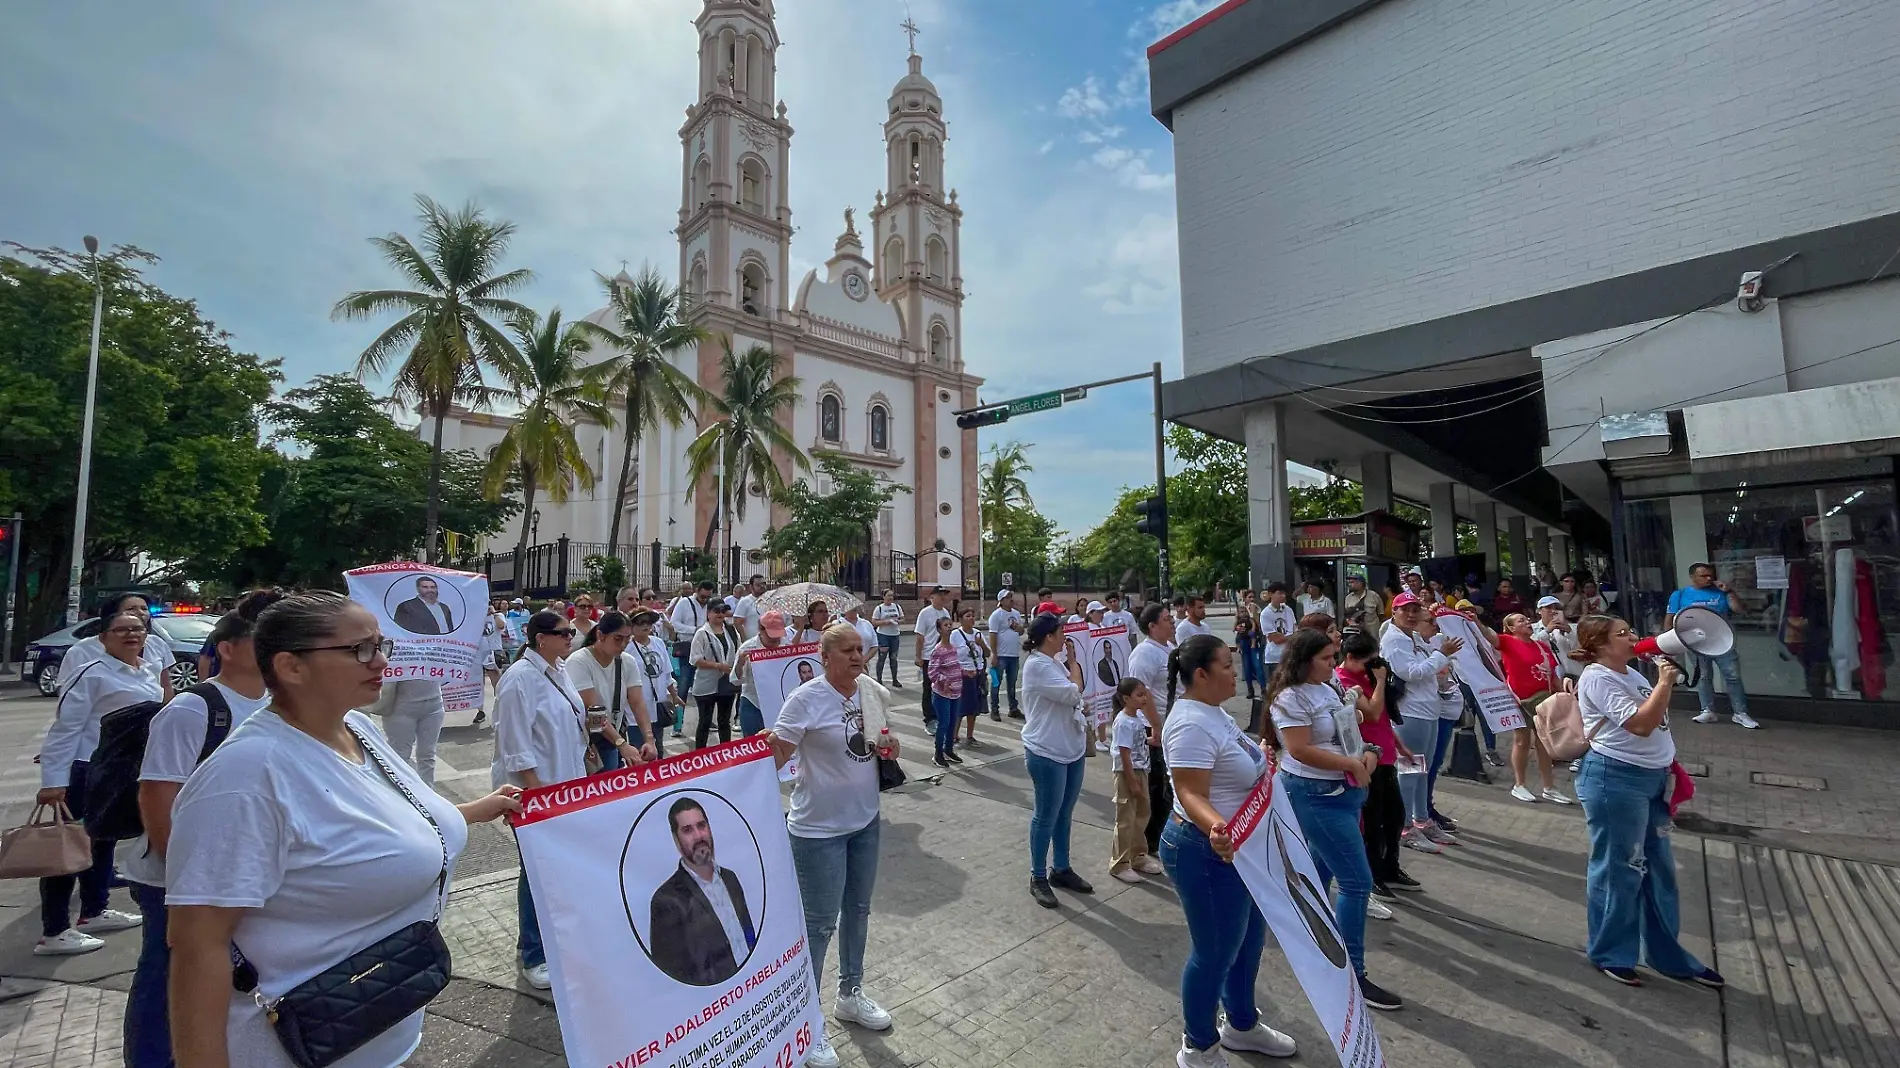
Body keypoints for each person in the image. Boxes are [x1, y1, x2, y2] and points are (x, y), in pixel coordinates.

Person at [166, 591, 523, 1068]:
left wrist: (477, 809)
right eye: (359, 649)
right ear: (292, 667)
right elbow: (197, 944)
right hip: (289, 1048)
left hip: (378, 1033)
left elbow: (392, 823)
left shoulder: (357, 727)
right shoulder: (246, 778)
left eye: (381, 646)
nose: (379, 662)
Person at [121, 591, 282, 1067]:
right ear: (227, 649)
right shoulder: (194, 709)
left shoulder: (277, 704)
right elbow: (156, 794)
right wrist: (184, 871)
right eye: (260, 641)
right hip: (178, 880)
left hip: (241, 873)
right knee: (167, 978)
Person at [1159, 634, 1301, 1066]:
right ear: (1201, 674)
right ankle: (1197, 1046)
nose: (1235, 670)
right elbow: (1189, 790)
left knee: (1247, 942)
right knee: (1214, 952)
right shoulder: (1189, 723)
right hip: (1205, 852)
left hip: (1244, 849)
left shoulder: (1214, 713)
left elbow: (1228, 766)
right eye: (1225, 664)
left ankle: (1241, 1026)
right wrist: (1217, 826)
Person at [765, 625, 900, 1068]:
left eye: (860, 649)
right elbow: (776, 756)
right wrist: (760, 755)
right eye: (848, 650)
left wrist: (890, 746)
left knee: (858, 909)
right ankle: (805, 1020)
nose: (858, 656)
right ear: (826, 657)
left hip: (865, 821)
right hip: (817, 831)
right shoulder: (805, 699)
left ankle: (850, 994)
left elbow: (882, 741)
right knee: (818, 926)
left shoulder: (869, 691)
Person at [1571, 615, 1725, 990]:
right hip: (1615, 781)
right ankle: (1610, 953)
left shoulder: (1631, 673)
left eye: (1630, 631)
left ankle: (1667, 956)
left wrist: (1662, 682)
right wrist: (1665, 682)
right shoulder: (1597, 676)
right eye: (1622, 634)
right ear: (1601, 645)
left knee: (1659, 871)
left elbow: (1656, 721)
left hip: (1650, 782)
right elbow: (1640, 724)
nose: (1634, 638)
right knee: (1619, 869)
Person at [494, 610, 644, 989]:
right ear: (540, 638)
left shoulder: (557, 670)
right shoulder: (519, 679)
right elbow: (515, 745)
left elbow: (582, 718)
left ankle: (542, 939)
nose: (571, 637)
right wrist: (538, 794)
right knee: (538, 871)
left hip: (567, 781)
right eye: (562, 633)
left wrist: (600, 747)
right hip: (537, 791)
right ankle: (534, 954)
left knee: (555, 870)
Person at [1269, 628, 1405, 1009]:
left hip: (1344, 790)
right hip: (1316, 794)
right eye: (1327, 658)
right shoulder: (1290, 696)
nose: (1335, 664)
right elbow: (1298, 749)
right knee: (1357, 882)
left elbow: (1351, 727)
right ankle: (1351, 974)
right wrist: (1351, 761)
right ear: (1304, 660)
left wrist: (1369, 751)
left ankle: (1305, 932)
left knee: (1319, 869)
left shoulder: (1327, 688)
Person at [34, 610, 156, 957]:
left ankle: (94, 911)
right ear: (103, 638)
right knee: (68, 850)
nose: (131, 635)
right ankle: (54, 931)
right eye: (121, 630)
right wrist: (54, 781)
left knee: (103, 842)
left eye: (138, 629)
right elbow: (66, 728)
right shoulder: (92, 674)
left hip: (118, 771)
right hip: (86, 769)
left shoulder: (144, 670)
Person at [1334, 631, 1418, 899]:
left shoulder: (1366, 676)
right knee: (1373, 821)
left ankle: (1391, 866)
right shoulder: (1345, 680)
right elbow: (1371, 711)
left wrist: (1399, 744)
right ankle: (1374, 874)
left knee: (1395, 816)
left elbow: (1384, 719)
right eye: (1367, 662)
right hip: (1367, 758)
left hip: (1387, 754)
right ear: (1350, 658)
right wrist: (1380, 682)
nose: (1372, 666)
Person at [1020, 614, 1094, 908]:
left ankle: (1061, 868)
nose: (1066, 634)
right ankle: (1037, 875)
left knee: (1065, 812)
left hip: (1071, 747)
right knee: (1046, 815)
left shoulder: (1053, 663)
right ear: (1049, 636)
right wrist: (1075, 664)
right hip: (1046, 750)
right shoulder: (1037, 665)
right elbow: (1072, 693)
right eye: (1061, 630)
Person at [1380, 593, 1461, 854]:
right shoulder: (1394, 640)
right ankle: (1403, 827)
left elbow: (1431, 651)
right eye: (1406, 610)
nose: (1412, 615)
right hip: (1410, 713)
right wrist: (1441, 655)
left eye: (1416, 610)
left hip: (1428, 710)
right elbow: (1411, 673)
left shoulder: (1413, 636)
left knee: (1421, 769)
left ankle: (1422, 819)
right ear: (1394, 612)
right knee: (1409, 770)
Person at [647, 797, 757, 986]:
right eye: (687, 830)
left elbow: (749, 933)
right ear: (676, 839)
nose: (698, 836)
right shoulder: (667, 901)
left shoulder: (730, 879)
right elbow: (672, 978)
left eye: (701, 825)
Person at [1494, 613, 1573, 804]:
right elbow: (1487, 635)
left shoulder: (1542, 646)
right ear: (1511, 628)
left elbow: (1553, 674)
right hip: (1520, 701)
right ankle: (1519, 785)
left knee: (1544, 743)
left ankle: (1549, 787)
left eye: (1527, 619)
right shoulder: (1507, 642)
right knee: (1521, 740)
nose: (1527, 622)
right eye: (1521, 621)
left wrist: (1564, 691)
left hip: (1544, 700)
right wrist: (1474, 619)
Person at [1667, 563, 1757, 729]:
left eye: (1710, 575)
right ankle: (1707, 709)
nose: (1708, 579)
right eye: (1703, 576)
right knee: (1703, 676)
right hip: (1696, 642)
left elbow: (1739, 610)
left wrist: (1729, 591)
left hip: (1721, 641)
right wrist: (1668, 641)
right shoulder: (1680, 594)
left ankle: (1740, 713)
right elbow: (1671, 617)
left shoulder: (1720, 592)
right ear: (1692, 577)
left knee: (1732, 676)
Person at [567, 611, 658, 769]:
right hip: (586, 741)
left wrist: (649, 740)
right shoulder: (578, 662)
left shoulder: (627, 661)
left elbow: (637, 703)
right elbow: (593, 711)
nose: (623, 645)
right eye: (618, 639)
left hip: (612, 735)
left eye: (627, 639)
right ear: (601, 636)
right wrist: (622, 744)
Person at [60, 592, 174, 705]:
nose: (140, 613)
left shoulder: (157, 644)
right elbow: (71, 702)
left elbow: (166, 685)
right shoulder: (81, 651)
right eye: (131, 609)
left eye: (144, 608)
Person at [1127, 604, 1177, 856]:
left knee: (1168, 786)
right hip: (1152, 729)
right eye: (1167, 619)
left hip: (1171, 726)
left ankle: (1161, 835)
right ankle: (1150, 841)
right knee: (1156, 788)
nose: (1172, 622)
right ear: (1152, 626)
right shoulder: (1144, 654)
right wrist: (1156, 725)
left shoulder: (1168, 649)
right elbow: (1140, 694)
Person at [1107, 678, 1161, 884]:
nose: (1144, 698)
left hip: (1140, 771)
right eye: (1139, 695)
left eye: (1144, 694)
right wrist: (1131, 780)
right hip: (1128, 773)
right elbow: (1124, 753)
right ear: (1126, 699)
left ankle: (1137, 855)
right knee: (1126, 818)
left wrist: (1148, 741)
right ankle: (1119, 863)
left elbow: (1133, 744)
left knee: (1142, 814)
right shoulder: (1123, 721)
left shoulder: (1135, 718)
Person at [369, 677, 447, 786]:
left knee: (427, 754)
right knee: (399, 754)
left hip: (434, 705)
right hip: (401, 708)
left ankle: (428, 792)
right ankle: (399, 791)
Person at [628, 610, 681, 757]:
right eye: (640, 622)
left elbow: (666, 673)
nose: (646, 626)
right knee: (641, 752)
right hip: (636, 711)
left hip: (658, 706)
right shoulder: (627, 647)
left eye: (649, 622)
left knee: (658, 749)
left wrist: (674, 695)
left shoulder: (658, 643)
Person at [689, 599, 741, 748]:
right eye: (716, 611)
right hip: (706, 683)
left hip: (726, 682)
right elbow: (695, 659)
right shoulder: (702, 633)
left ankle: (725, 752)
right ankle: (700, 754)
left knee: (724, 721)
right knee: (705, 721)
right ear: (708, 613)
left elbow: (738, 650)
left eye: (722, 611)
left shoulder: (731, 631)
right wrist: (718, 666)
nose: (720, 614)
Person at [734, 610, 791, 738]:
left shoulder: (787, 646)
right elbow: (736, 680)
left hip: (779, 702)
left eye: (778, 634)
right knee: (753, 747)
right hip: (753, 703)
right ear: (761, 629)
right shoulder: (747, 648)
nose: (775, 640)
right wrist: (740, 664)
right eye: (771, 635)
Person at [925, 615, 965, 766]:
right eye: (945, 625)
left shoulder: (953, 648)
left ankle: (949, 750)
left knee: (952, 723)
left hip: (956, 692)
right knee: (943, 723)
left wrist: (964, 673)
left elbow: (955, 666)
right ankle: (938, 754)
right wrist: (944, 681)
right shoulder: (938, 650)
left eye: (950, 624)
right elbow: (932, 673)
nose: (949, 627)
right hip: (942, 693)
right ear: (939, 630)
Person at [950, 607, 989, 749]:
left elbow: (988, 653)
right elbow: (951, 657)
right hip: (962, 675)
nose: (971, 618)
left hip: (977, 674)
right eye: (968, 616)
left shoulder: (978, 634)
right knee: (961, 707)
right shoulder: (955, 635)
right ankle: (954, 735)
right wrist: (962, 671)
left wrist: (981, 644)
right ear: (961, 619)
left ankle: (970, 736)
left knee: (974, 706)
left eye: (973, 616)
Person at [913, 586, 952, 728]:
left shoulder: (945, 612)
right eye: (940, 595)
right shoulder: (925, 613)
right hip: (929, 656)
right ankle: (929, 717)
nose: (943, 597)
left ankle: (940, 712)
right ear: (932, 597)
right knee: (929, 687)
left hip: (943, 655)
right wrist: (918, 656)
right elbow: (920, 636)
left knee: (942, 686)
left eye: (945, 595)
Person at [669, 580, 715, 697]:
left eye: (708, 597)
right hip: (687, 646)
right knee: (684, 682)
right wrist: (695, 630)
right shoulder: (684, 603)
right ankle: (680, 713)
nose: (705, 600)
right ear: (696, 591)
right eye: (702, 596)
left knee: (704, 685)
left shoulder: (710, 605)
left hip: (705, 648)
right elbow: (674, 623)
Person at [987, 590, 1025, 720]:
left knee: (1012, 683)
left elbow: (1021, 631)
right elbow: (993, 635)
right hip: (1001, 654)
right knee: (996, 682)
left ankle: (1013, 708)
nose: (1010, 599)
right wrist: (994, 654)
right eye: (1007, 597)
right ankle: (994, 709)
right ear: (1001, 600)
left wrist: (1018, 628)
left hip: (1013, 654)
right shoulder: (996, 615)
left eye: (1011, 597)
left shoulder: (1016, 614)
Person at [1257, 583, 1297, 683]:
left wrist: (1289, 636)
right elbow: (1275, 639)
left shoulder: (1288, 610)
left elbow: (1296, 628)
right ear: (1270, 594)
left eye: (1284, 593)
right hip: (1275, 657)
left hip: (1290, 654)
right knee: (1276, 686)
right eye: (1279, 593)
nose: (1283, 596)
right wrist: (1292, 636)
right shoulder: (1266, 613)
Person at [870, 590, 905, 687]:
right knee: (882, 657)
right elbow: (874, 622)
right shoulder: (879, 608)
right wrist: (885, 622)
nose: (890, 598)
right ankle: (879, 679)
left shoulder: (897, 607)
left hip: (895, 635)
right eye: (888, 596)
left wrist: (897, 621)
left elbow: (902, 619)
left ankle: (895, 679)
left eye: (892, 596)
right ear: (883, 597)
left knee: (893, 658)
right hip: (883, 635)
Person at [1234, 616, 1262, 700]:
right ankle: (1250, 689)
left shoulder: (1252, 611)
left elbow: (1256, 624)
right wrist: (1237, 627)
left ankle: (1263, 689)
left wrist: (1253, 627)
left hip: (1253, 640)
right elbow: (1235, 627)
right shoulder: (1240, 617)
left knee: (1258, 667)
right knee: (1247, 667)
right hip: (1243, 641)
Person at [845, 604, 878, 670]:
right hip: (845, 666)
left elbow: (874, 645)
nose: (853, 608)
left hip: (864, 666)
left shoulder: (866, 623)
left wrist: (864, 660)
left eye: (854, 605)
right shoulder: (837, 624)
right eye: (849, 606)